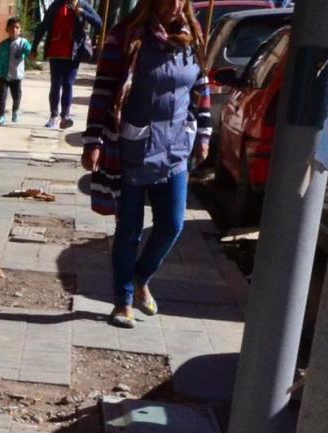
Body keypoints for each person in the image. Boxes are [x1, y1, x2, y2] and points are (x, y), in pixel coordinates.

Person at [81, 0, 210, 329]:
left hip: (176, 150)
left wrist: (204, 134)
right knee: (129, 230)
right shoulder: (126, 36)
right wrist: (93, 140)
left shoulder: (192, 35)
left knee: (172, 224)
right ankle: (123, 301)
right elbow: (103, 90)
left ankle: (140, 277)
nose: (174, 4)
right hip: (132, 150)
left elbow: (201, 87)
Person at [38, 0, 100, 130]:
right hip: (56, 52)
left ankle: (65, 117)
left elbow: (99, 23)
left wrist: (83, 13)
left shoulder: (83, 5)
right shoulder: (56, 5)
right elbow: (43, 25)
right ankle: (54, 116)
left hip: (73, 54)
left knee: (68, 84)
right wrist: (34, 47)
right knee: (55, 85)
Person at [0, 18, 30, 126]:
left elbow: (29, 51)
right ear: (7, 29)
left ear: (20, 30)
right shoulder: (2, 45)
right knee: (1, 97)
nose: (14, 29)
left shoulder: (23, 43)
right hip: (4, 75)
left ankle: (15, 111)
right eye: (12, 27)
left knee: (16, 97)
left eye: (17, 27)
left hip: (16, 76)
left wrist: (29, 52)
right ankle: (1, 116)